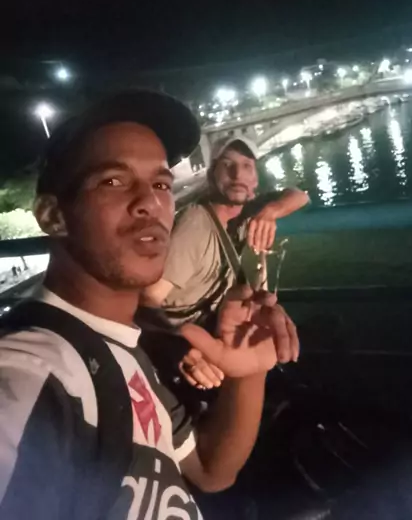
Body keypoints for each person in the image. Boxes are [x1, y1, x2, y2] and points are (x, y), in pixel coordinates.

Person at [0, 90, 299, 519]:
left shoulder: (127, 354)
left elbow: (211, 470)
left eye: (161, 184)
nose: (150, 203)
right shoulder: (30, 377)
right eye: (113, 181)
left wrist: (249, 373)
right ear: (52, 216)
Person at [142, 136, 309, 325]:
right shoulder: (195, 226)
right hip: (185, 330)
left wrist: (272, 211)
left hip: (214, 320)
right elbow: (149, 300)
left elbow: (300, 196)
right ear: (211, 175)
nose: (237, 175)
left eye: (247, 166)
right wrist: (186, 342)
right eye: (227, 164)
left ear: (255, 180)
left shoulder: (247, 211)